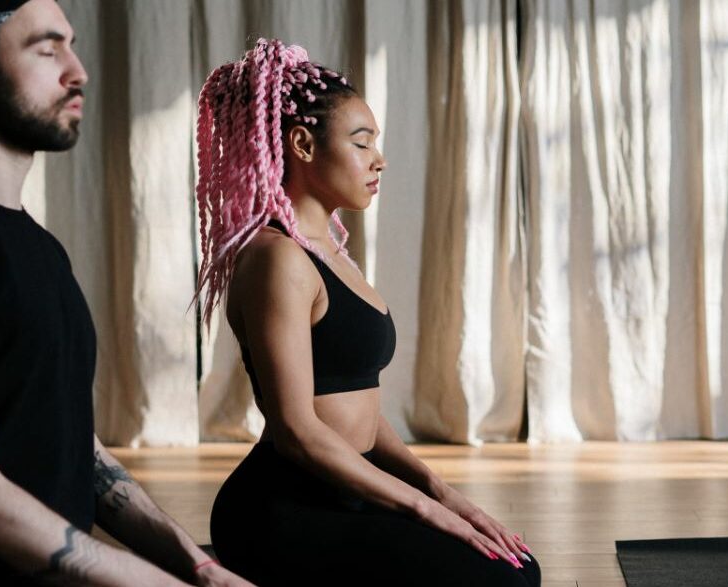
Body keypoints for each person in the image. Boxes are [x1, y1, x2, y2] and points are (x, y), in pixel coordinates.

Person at [0, 1, 254, 585]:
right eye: (47, 50)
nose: (78, 71)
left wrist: (195, 565)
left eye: (70, 45)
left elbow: (77, 449)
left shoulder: (40, 249)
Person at [196, 39, 542, 586]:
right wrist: (423, 509)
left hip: (351, 486)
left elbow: (356, 408)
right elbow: (297, 431)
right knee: (496, 581)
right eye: (362, 143)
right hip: (285, 507)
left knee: (517, 568)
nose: (378, 158)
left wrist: (440, 490)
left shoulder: (329, 250)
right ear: (304, 144)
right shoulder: (277, 258)